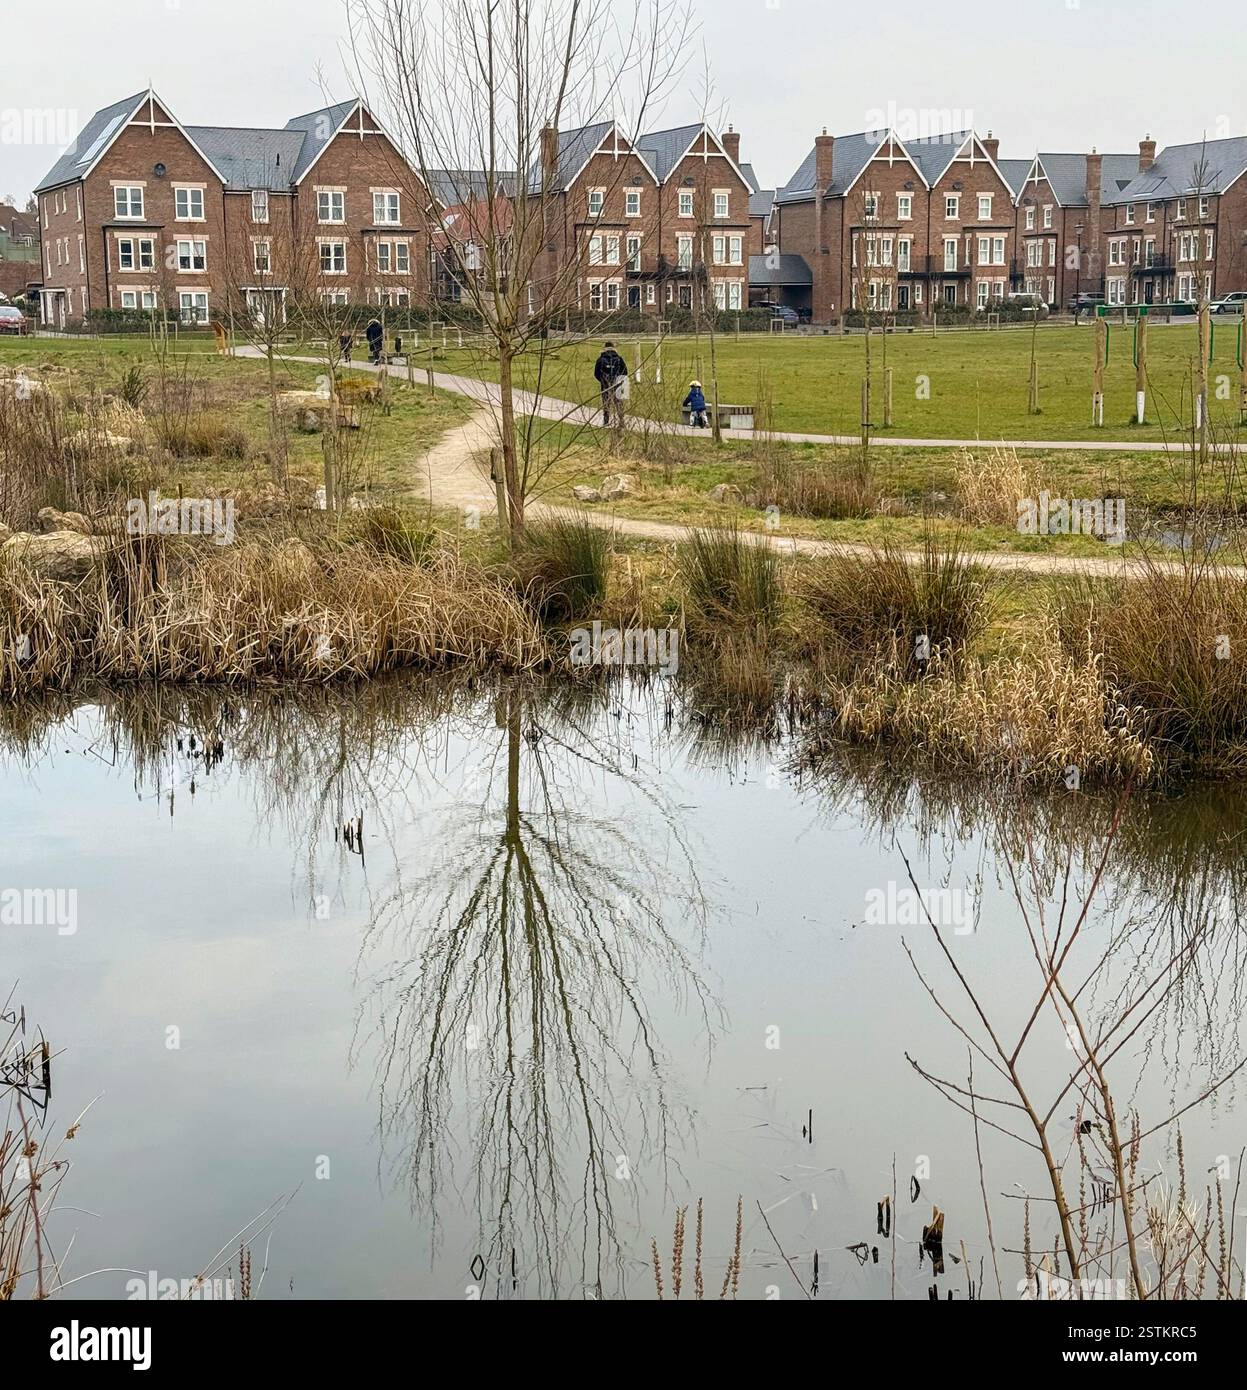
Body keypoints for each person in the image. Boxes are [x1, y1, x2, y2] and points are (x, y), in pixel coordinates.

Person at [593, 341, 628, 427]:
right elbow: (625, 372)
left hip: (605, 385)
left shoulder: (601, 359)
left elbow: (596, 373)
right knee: (618, 402)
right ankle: (621, 420)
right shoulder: (619, 359)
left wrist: (603, 380)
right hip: (617, 383)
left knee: (606, 402)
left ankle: (606, 421)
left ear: (604, 348)